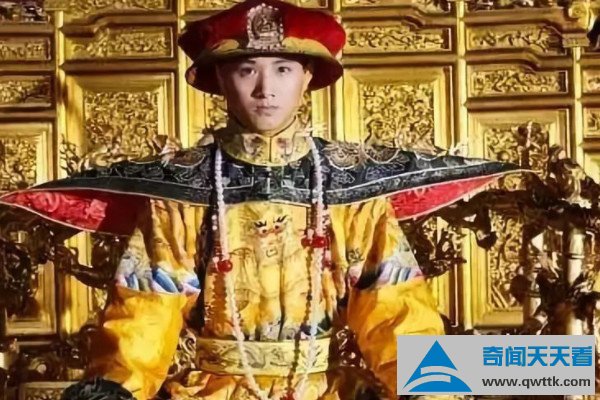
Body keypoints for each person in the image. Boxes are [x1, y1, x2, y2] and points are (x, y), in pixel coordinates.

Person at [0, 0, 521, 398]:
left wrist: (434, 388)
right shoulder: (182, 193)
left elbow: (394, 309)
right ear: (218, 78)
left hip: (322, 388)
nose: (265, 88)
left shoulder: (350, 190)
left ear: (309, 77)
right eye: (247, 69)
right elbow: (145, 313)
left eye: (283, 69)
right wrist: (116, 387)